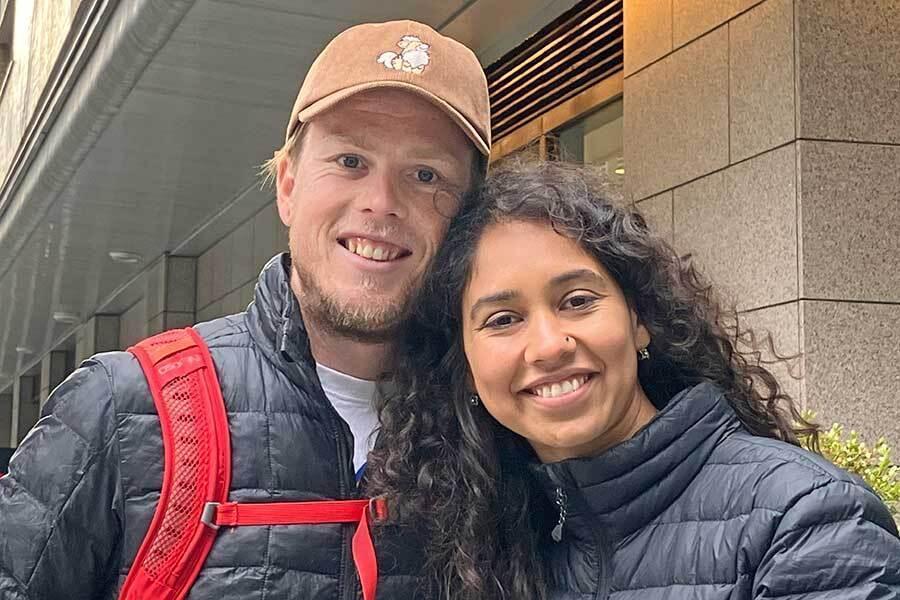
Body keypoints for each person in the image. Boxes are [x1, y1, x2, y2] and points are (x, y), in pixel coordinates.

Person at [0, 20, 490, 599]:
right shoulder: (123, 408)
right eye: (350, 161)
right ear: (287, 186)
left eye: (426, 175)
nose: (381, 202)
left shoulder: (498, 432)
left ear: (467, 219)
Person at [366, 159, 900, 600]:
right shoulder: (483, 547)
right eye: (504, 319)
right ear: (465, 366)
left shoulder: (807, 521)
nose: (549, 345)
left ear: (638, 319)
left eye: (577, 301)